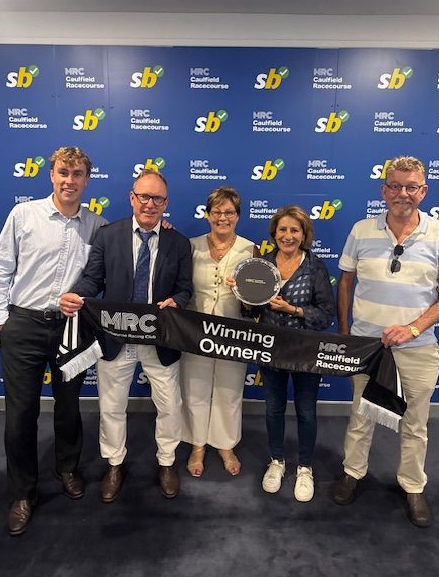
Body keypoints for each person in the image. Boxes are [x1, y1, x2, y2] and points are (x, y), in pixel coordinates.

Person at [331, 155, 439, 527]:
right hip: (367, 348)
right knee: (361, 416)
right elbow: (345, 283)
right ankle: (352, 472)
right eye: (395, 186)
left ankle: (413, 486)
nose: (402, 193)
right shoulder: (361, 230)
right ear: (383, 190)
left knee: (415, 424)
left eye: (411, 187)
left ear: (424, 191)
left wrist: (414, 328)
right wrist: (346, 333)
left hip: (417, 348)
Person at [0, 147, 107, 536]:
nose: (69, 181)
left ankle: (67, 468)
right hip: (23, 325)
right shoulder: (24, 215)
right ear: (51, 175)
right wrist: (3, 320)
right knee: (20, 414)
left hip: (71, 329)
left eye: (77, 174)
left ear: (87, 179)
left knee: (69, 407)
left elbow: (121, 257)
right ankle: (23, 492)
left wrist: (162, 230)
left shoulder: (98, 226)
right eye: (63, 173)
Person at [59, 169, 192, 502]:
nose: (149, 204)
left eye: (157, 198)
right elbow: (93, 279)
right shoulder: (108, 235)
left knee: (170, 406)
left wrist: (177, 301)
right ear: (132, 198)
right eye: (143, 196)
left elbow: (185, 288)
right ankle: (114, 463)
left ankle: (166, 462)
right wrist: (77, 294)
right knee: (112, 406)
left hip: (160, 339)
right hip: (115, 337)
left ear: (166, 204)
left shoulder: (178, 243)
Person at [256, 205, 335, 501]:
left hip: (305, 351)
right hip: (271, 349)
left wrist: (294, 310)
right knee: (273, 408)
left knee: (306, 410)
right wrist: (242, 294)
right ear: (274, 233)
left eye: (294, 230)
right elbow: (249, 310)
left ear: (304, 235)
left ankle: (305, 468)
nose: (287, 236)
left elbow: (326, 314)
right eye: (282, 230)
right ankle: (276, 461)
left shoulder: (315, 267)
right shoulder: (262, 265)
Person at [180, 187, 259, 478]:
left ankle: (225, 444)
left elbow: (257, 301)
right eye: (216, 212)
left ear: (238, 216)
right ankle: (197, 445)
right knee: (195, 388)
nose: (222, 217)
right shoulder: (190, 247)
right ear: (207, 214)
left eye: (229, 212)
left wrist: (243, 292)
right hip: (194, 331)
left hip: (234, 333)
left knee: (230, 389)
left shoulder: (250, 250)